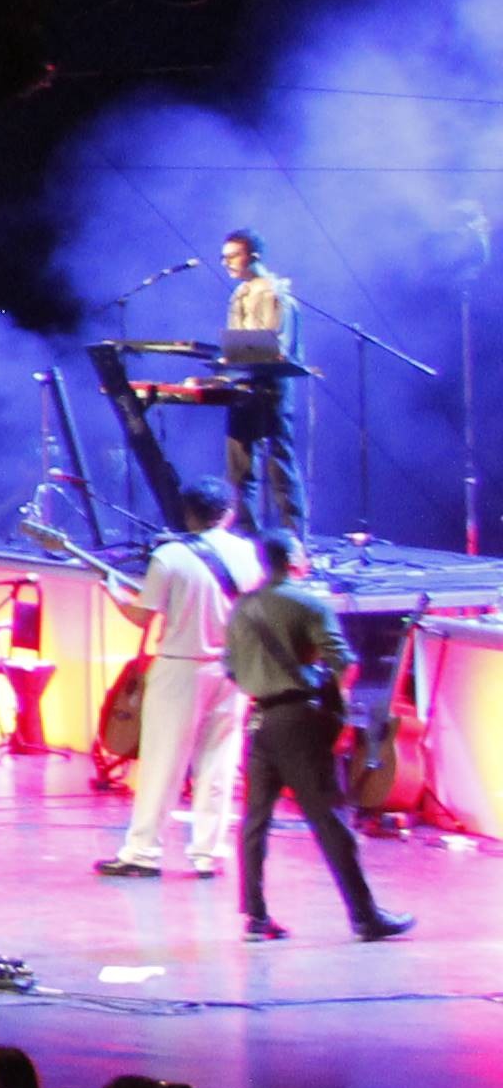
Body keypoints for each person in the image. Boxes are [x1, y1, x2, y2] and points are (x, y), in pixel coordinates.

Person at [222, 533, 406, 943]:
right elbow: (345, 663)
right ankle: (365, 916)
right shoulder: (308, 603)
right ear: (291, 560)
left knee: (255, 822)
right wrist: (335, 709)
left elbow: (231, 669)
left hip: (259, 720)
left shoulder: (240, 609)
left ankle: (255, 916)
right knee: (330, 820)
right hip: (299, 719)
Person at [89, 486, 255, 883]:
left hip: (181, 668)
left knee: (163, 760)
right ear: (228, 513)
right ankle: (208, 854)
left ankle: (143, 851)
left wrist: (114, 594)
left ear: (188, 515)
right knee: (219, 763)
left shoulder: (170, 557)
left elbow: (144, 617)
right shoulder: (247, 554)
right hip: (232, 668)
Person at [219, 226, 304, 534]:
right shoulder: (239, 293)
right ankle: (244, 535)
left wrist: (243, 355)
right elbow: (235, 341)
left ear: (252, 256)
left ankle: (292, 539)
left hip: (270, 385)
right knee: (239, 468)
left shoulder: (274, 292)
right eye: (224, 257)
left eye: (233, 256)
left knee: (278, 463)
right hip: (243, 383)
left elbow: (277, 347)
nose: (226, 262)